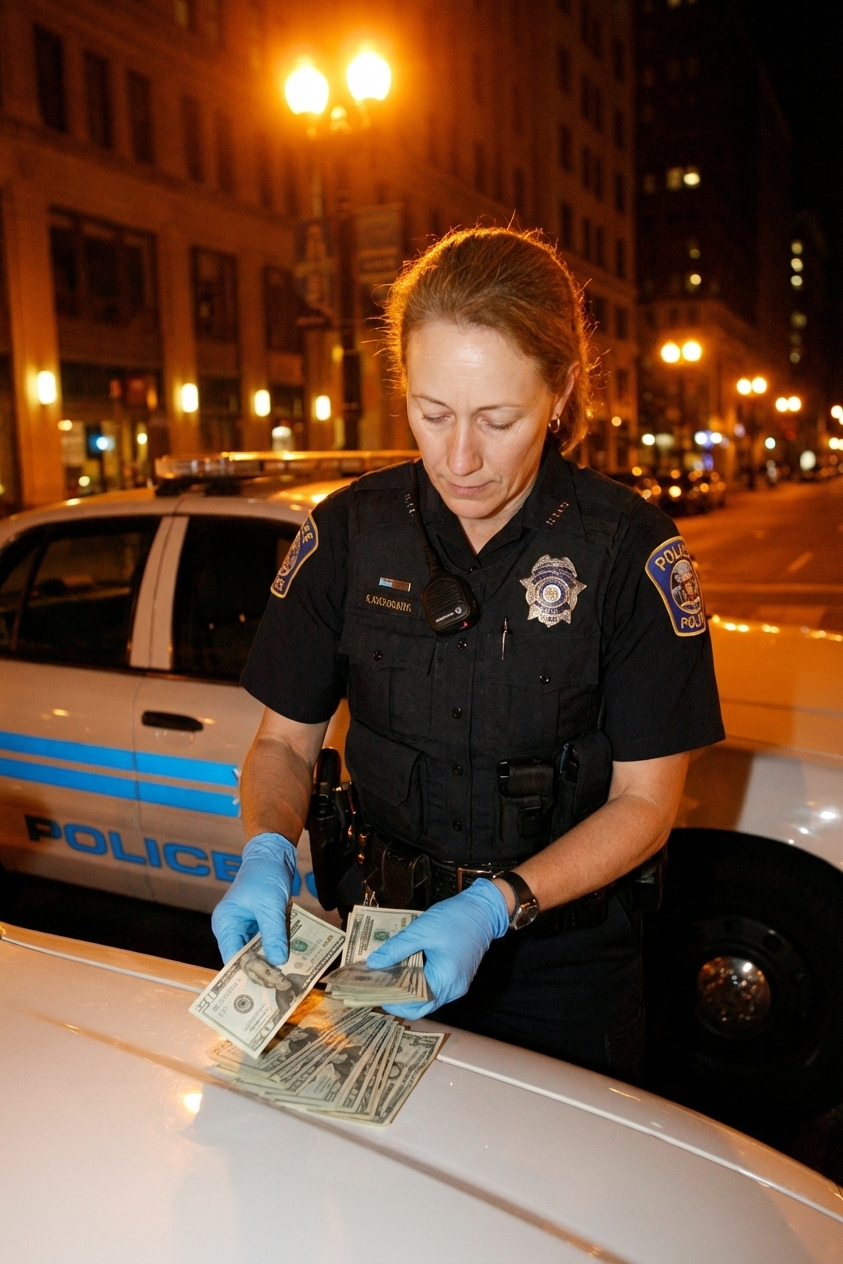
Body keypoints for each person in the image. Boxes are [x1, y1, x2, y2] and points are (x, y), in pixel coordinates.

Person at [212, 227, 724, 1077]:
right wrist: (267, 846)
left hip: (562, 966)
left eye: (498, 419)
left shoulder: (629, 548)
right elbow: (281, 743)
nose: (459, 459)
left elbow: (645, 803)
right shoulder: (346, 532)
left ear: (559, 394)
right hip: (373, 941)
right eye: (431, 412)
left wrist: (496, 906)